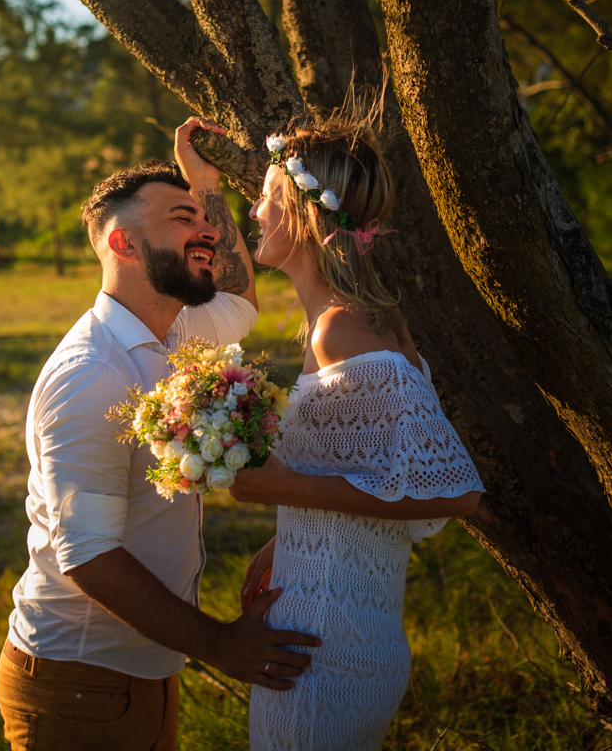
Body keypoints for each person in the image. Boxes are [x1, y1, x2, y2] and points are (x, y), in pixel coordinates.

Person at [0, 117, 321, 751]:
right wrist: (220, 644)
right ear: (123, 245)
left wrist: (205, 187)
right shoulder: (89, 374)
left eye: (201, 217)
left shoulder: (178, 330)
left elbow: (242, 298)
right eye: (181, 218)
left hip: (143, 672)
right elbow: (87, 554)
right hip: (80, 682)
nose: (204, 228)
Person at [228, 101, 485, 750]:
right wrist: (291, 539)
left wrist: (278, 490)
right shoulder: (332, 325)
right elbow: (366, 473)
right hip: (320, 633)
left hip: (324, 657)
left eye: (264, 198)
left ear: (304, 211)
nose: (254, 213)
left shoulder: (346, 328)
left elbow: (453, 491)